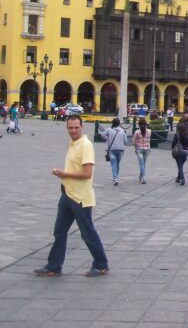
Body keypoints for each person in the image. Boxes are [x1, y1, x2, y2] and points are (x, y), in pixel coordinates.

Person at [34, 114, 109, 277]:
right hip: (67, 194)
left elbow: (87, 173)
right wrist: (64, 176)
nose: (73, 130)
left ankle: (101, 264)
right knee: (59, 231)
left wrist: (64, 173)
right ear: (67, 127)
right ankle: (54, 266)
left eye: (76, 127)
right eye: (70, 127)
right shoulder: (73, 144)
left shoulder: (86, 145)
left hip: (80, 197)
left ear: (82, 127)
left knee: (87, 233)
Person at [104, 118, 127, 185]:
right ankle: (116, 177)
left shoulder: (109, 130)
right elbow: (125, 141)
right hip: (121, 149)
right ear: (119, 123)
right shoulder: (122, 131)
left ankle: (115, 178)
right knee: (117, 163)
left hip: (112, 149)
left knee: (113, 164)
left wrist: (107, 139)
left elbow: (103, 135)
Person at [133, 118, 151, 184]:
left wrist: (136, 144)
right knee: (143, 163)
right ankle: (141, 176)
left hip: (139, 149)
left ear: (139, 125)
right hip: (147, 149)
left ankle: (143, 177)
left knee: (141, 164)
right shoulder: (149, 131)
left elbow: (133, 142)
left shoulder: (137, 132)